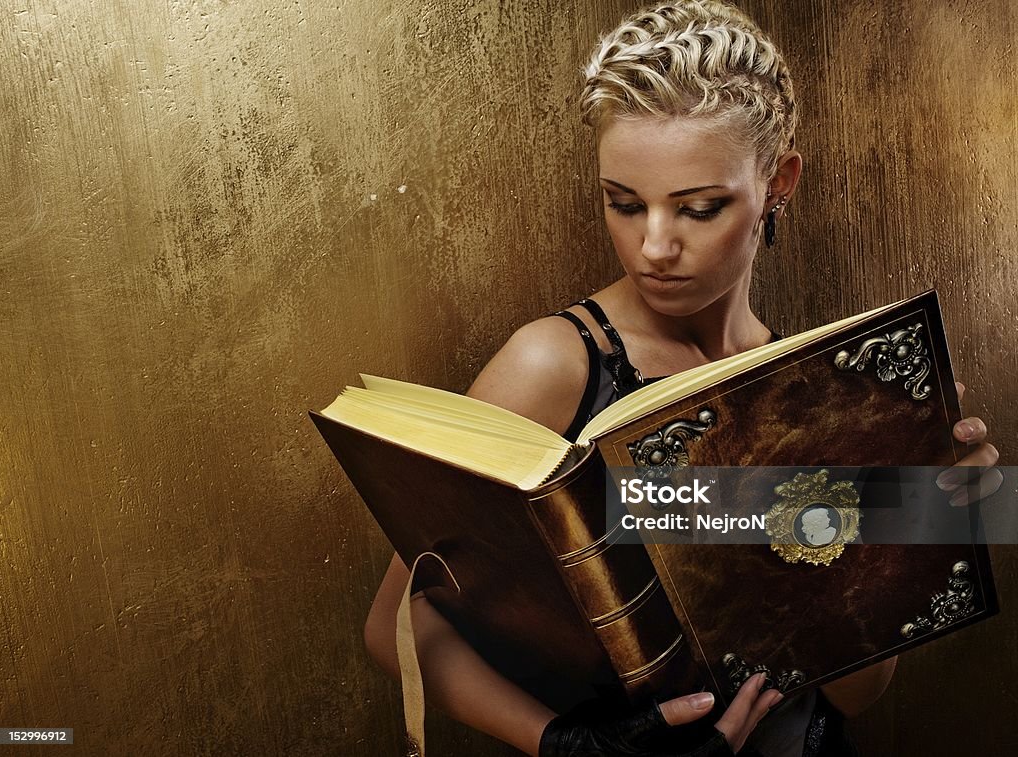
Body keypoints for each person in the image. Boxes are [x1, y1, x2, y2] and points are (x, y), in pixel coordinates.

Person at [363, 2, 1001, 755]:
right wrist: (568, 745)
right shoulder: (552, 365)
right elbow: (392, 624)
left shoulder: (821, 388)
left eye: (698, 207)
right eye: (623, 203)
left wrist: (901, 527)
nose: (654, 245)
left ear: (777, 182)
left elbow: (854, 689)